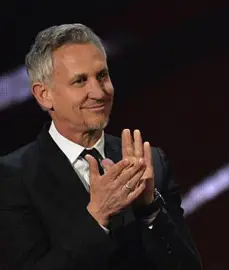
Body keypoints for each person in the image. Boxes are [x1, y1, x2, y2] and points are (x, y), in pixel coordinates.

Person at [0, 23, 201, 270]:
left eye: (102, 76)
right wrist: (96, 218)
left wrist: (150, 210)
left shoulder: (151, 163)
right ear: (44, 95)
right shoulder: (12, 178)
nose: (98, 92)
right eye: (80, 81)